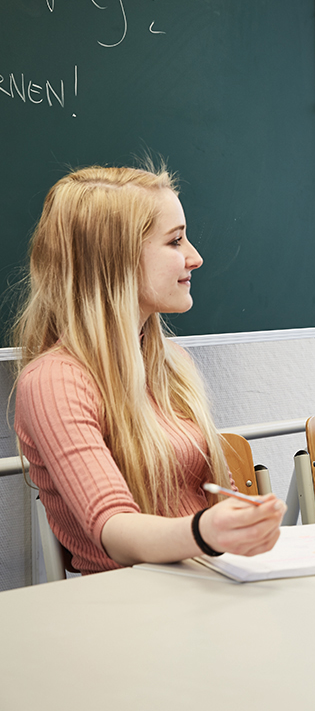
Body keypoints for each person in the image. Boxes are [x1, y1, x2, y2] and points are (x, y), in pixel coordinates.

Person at [13, 165, 285, 575]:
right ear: (114, 261)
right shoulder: (54, 382)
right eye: (175, 241)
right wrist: (205, 532)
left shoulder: (174, 364)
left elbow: (213, 502)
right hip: (131, 607)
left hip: (207, 582)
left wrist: (243, 521)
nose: (195, 257)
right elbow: (114, 530)